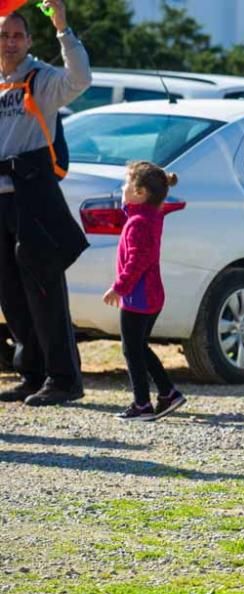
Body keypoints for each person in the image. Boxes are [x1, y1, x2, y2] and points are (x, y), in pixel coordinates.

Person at [0, 1, 91, 406]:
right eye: (3, 35)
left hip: (33, 196)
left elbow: (81, 78)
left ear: (29, 41)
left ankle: (64, 378)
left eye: (17, 36)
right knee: (11, 293)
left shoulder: (41, 78)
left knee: (43, 288)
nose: (10, 43)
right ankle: (32, 373)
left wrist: (62, 28)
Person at [102, 161, 186, 421]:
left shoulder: (139, 223)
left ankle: (142, 405)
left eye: (126, 183)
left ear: (140, 192)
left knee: (132, 349)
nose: (122, 188)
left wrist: (119, 288)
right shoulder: (151, 214)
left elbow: (138, 260)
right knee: (138, 347)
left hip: (138, 298)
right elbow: (162, 207)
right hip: (151, 297)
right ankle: (168, 393)